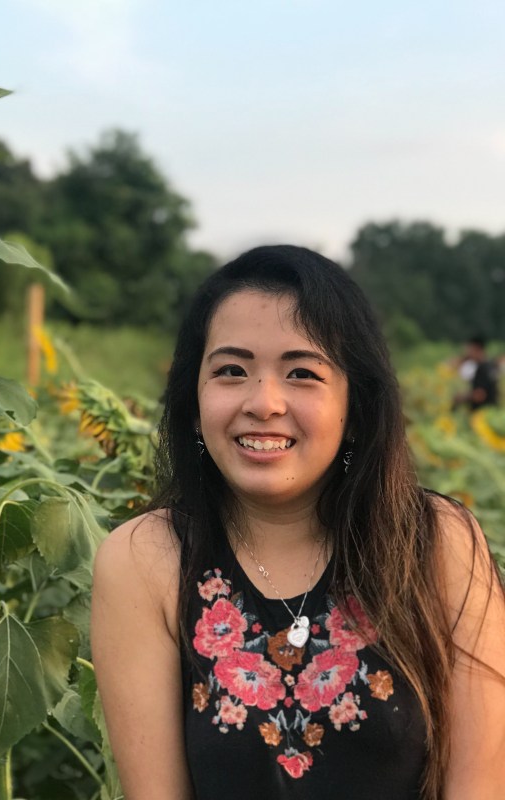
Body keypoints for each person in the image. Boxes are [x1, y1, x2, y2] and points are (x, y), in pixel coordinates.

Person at [91, 245, 505, 800]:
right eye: (232, 371)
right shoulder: (146, 559)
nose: (264, 402)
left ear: (355, 409)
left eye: (302, 372)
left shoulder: (435, 544)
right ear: (193, 400)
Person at [451, 336, 499, 411]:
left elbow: (480, 395)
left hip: (482, 415)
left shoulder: (482, 369)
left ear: (476, 349)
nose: (468, 353)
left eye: (469, 350)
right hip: (493, 411)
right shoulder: (491, 365)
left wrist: (461, 398)